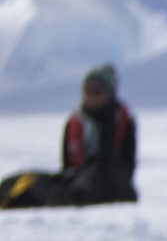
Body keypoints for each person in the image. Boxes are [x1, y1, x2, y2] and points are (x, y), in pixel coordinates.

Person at [0, 64, 137, 208]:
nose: (91, 95)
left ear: (110, 94)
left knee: (91, 177)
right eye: (87, 89)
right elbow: (68, 166)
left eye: (97, 90)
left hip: (109, 181)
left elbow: (126, 166)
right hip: (76, 178)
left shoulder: (121, 120)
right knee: (27, 182)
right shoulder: (75, 122)